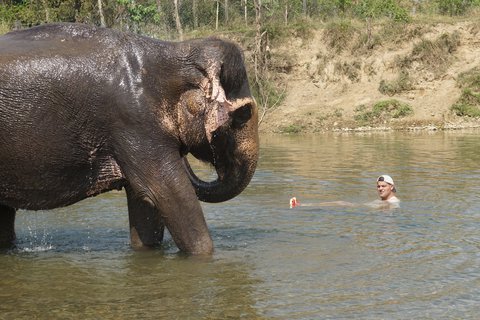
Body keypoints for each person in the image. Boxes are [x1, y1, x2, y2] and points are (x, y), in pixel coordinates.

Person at [289, 174, 400, 209]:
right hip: (359, 207)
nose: (380, 189)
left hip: (359, 209)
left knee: (340, 203)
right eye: (378, 186)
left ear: (391, 187)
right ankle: (303, 205)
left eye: (383, 186)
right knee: (340, 202)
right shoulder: (386, 201)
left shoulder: (392, 202)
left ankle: (302, 205)